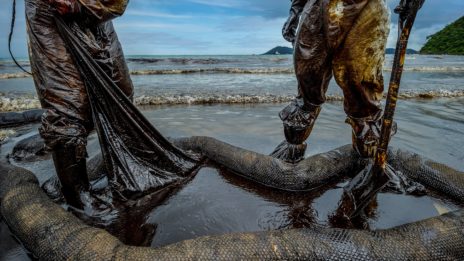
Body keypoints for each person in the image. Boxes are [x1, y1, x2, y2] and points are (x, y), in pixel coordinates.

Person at [25, 0, 134, 210]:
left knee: (120, 89)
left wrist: (81, 5)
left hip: (99, 18)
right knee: (67, 101)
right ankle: (77, 196)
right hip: (49, 12)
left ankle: (127, 171)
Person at [271, 0, 391, 163]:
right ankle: (291, 151)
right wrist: (295, 10)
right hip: (316, 6)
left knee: (360, 86)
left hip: (366, 6)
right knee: (307, 75)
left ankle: (367, 162)